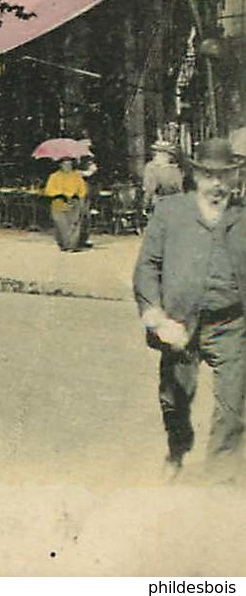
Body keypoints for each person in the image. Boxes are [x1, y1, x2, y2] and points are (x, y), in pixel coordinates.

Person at [132, 137, 246, 483]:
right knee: (174, 400)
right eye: (209, 176)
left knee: (233, 405)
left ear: (235, 178)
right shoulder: (171, 212)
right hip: (178, 323)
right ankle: (177, 449)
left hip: (230, 324)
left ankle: (219, 481)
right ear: (196, 176)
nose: (217, 184)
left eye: (225, 176)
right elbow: (147, 267)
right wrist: (156, 316)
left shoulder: (242, 217)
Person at [44, 157, 90, 252]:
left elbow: (82, 190)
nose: (68, 167)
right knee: (62, 224)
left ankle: (72, 245)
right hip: (59, 202)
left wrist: (78, 196)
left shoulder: (76, 176)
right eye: (65, 164)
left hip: (73, 201)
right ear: (60, 165)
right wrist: (60, 193)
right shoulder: (54, 176)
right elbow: (48, 190)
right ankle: (64, 244)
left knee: (74, 224)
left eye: (69, 164)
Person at [143, 140, 185, 209]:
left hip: (160, 205)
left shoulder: (152, 167)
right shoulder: (176, 169)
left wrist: (145, 206)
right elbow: (180, 190)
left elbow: (149, 190)